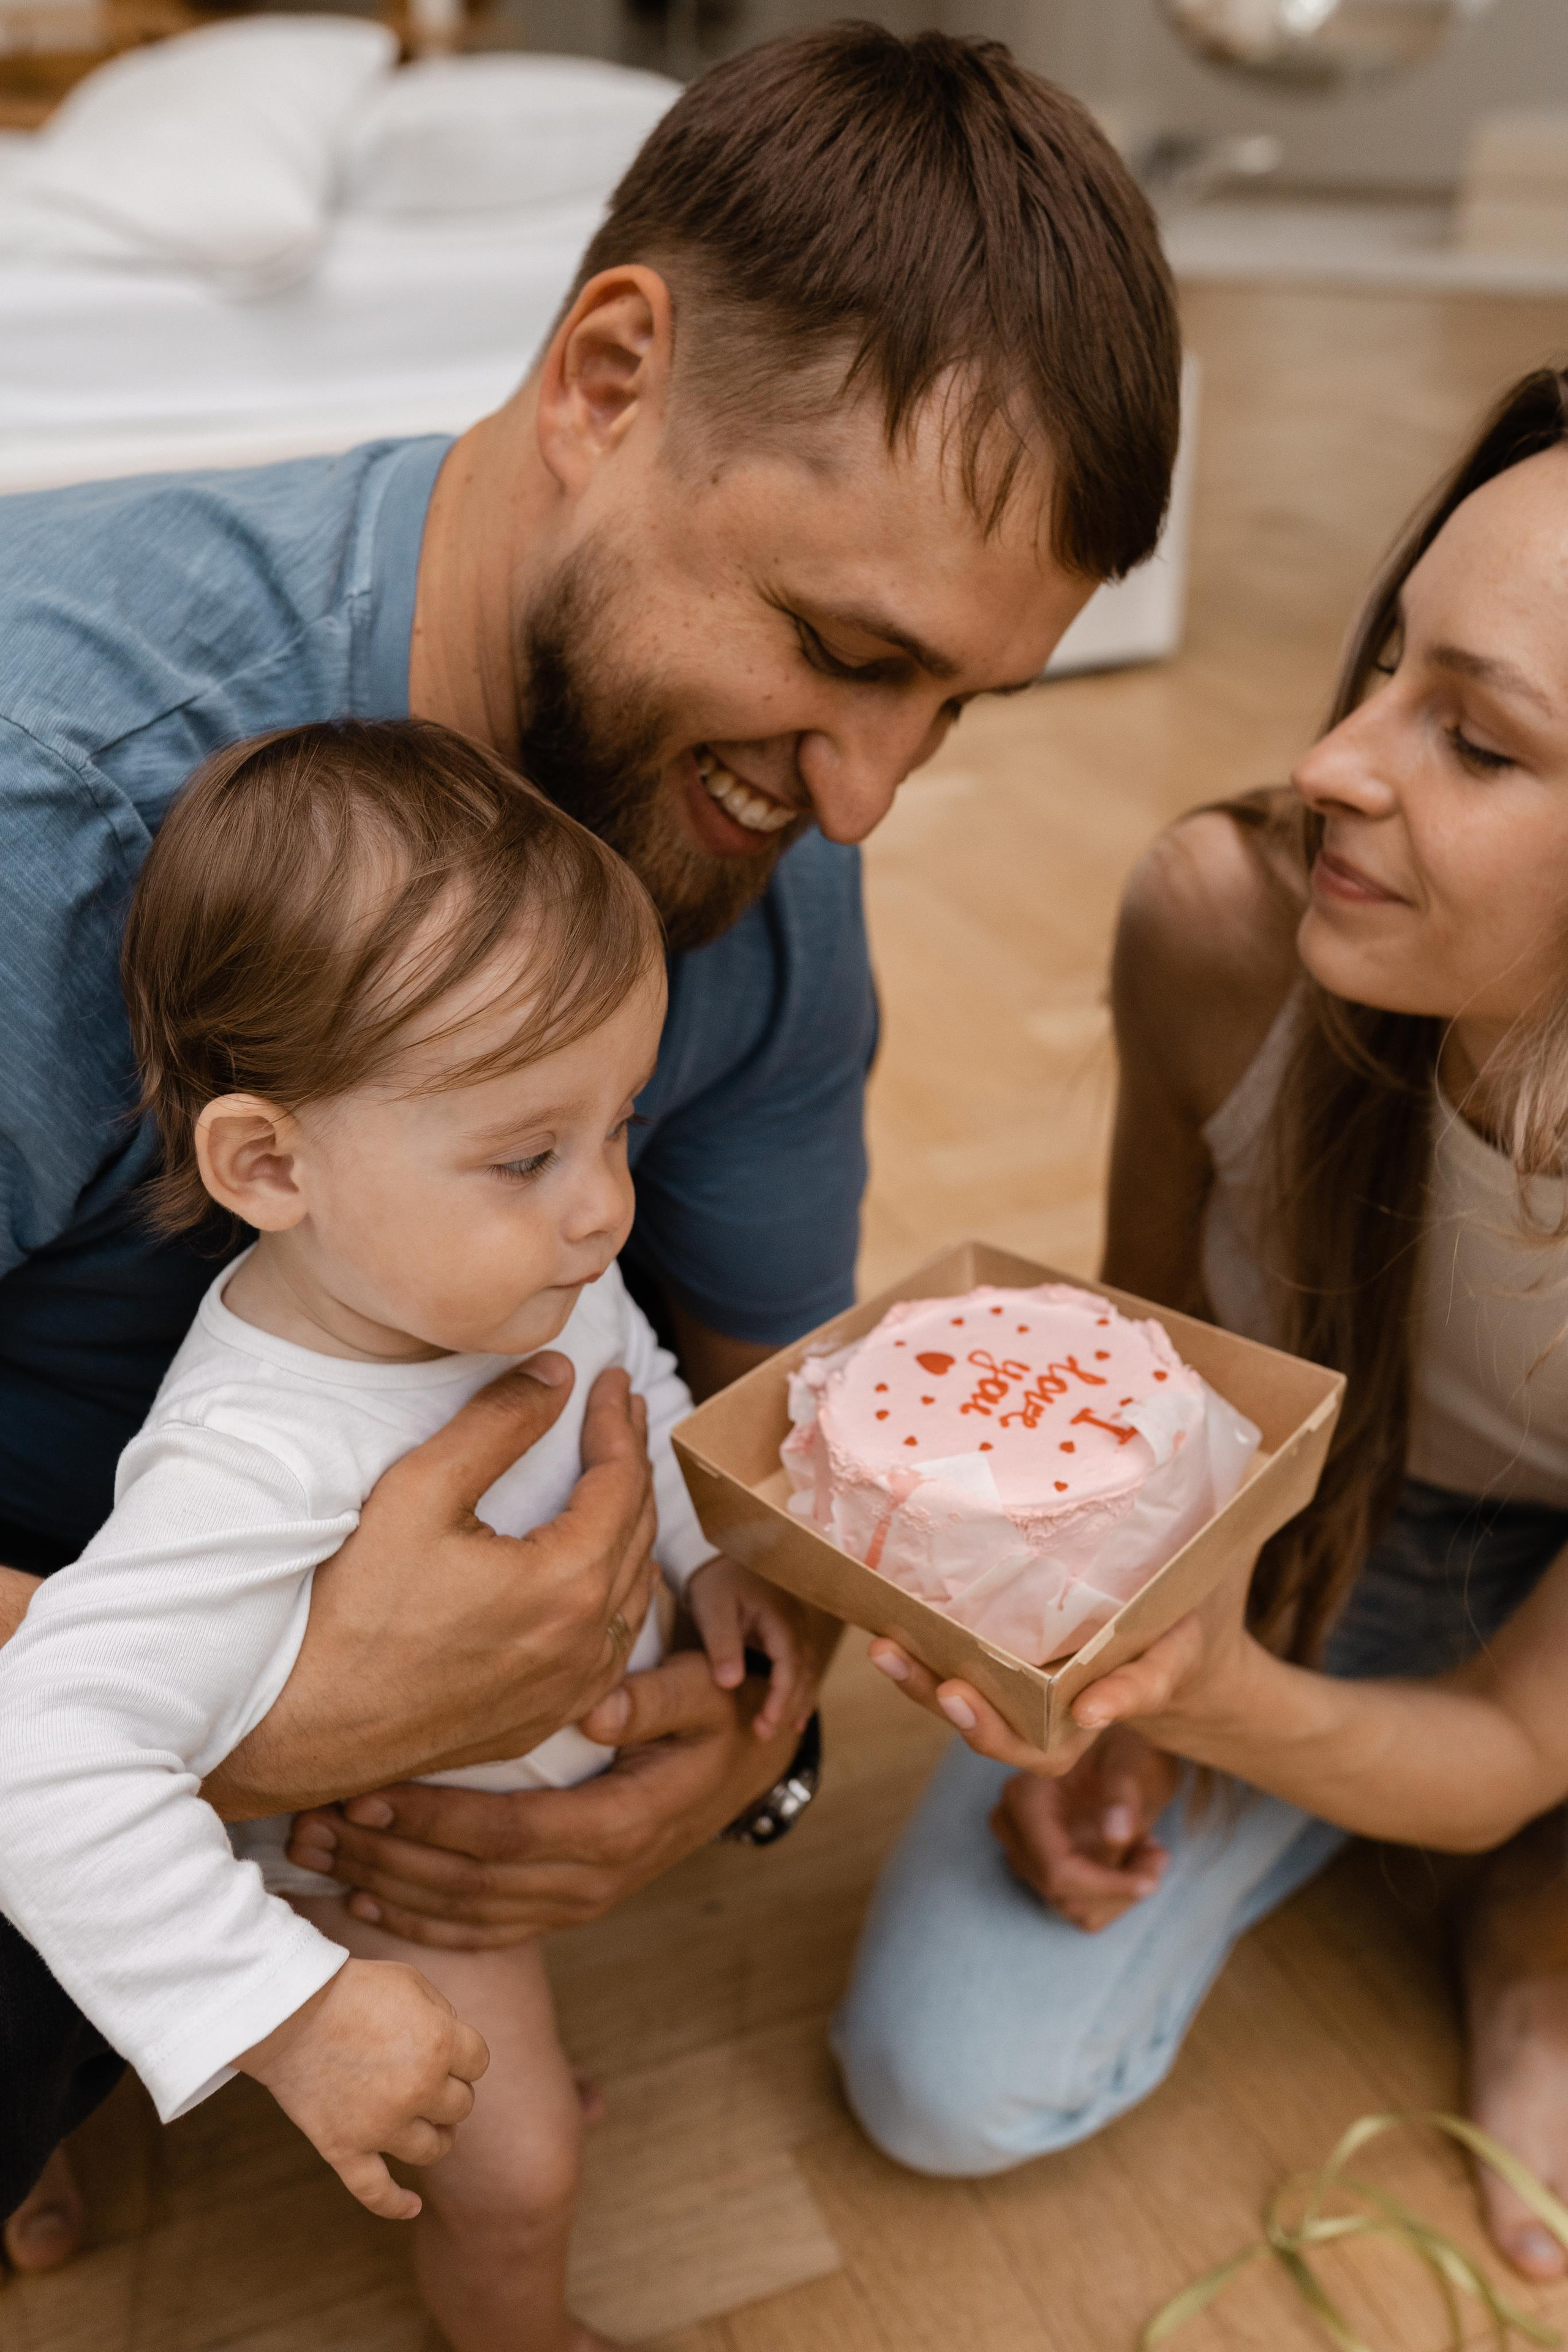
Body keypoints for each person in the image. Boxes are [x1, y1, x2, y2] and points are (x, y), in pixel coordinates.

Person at [0, 24, 1182, 2260]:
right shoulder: (48, 790)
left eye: (951, 707)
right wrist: (257, 1723)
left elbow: (763, 1408)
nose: (862, 798)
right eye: (839, 647)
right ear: (609, 374)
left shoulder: (756, 869)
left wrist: (753, 1742)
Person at [834, 364, 1568, 2283]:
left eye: (1479, 745)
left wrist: (1236, 1704)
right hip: (1329, 1512)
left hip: (1529, 1636)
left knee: (1516, 1797)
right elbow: (1147, 1373)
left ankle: (1533, 1939)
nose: (1336, 757)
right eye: (1390, 665)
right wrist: (1110, 1686)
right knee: (945, 2077)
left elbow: (1507, 1733)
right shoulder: (1223, 925)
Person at [0, 719, 812, 2351]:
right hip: (376, 1871)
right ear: (272, 1162)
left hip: (506, 1799)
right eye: (529, 1153)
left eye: (621, 1127)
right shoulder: (255, 1456)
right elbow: (39, 1764)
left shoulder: (498, 1264)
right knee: (519, 2173)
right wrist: (293, 2013)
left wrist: (706, 1548)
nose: (602, 1209)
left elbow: (626, 1369)